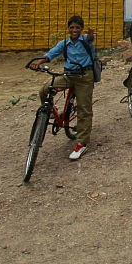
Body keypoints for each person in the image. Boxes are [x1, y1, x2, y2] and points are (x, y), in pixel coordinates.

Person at [29, 15, 97, 160]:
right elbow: (51, 54)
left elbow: (90, 39)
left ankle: (82, 143)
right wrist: (40, 61)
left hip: (84, 77)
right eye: (72, 27)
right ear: (68, 29)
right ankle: (53, 113)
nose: (74, 30)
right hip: (68, 75)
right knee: (45, 90)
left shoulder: (85, 40)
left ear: (82, 29)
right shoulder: (64, 43)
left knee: (84, 110)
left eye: (77, 28)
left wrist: (90, 35)